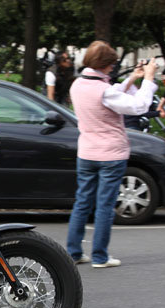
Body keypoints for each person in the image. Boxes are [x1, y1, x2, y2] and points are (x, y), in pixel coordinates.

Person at [67, 40, 157, 268]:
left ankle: (73, 252)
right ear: (105, 64)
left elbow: (111, 94)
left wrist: (132, 78)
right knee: (105, 206)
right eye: (111, 65)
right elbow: (138, 106)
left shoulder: (78, 85)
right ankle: (100, 256)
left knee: (82, 203)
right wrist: (148, 79)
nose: (112, 68)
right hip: (111, 155)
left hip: (87, 152)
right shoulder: (103, 90)